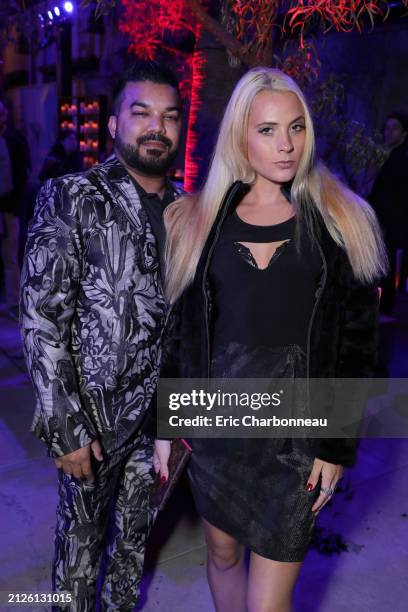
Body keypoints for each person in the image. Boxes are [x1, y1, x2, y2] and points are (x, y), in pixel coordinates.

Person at [154, 67, 387, 612]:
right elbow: (179, 335)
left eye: (297, 127)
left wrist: (335, 443)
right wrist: (167, 426)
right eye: (267, 129)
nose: (286, 144)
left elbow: (358, 345)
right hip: (215, 432)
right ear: (239, 134)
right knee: (223, 556)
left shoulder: (341, 220)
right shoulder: (196, 221)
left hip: (295, 442)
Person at [20, 60, 183, 611]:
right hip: (93, 420)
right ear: (113, 125)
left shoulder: (190, 208)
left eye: (169, 116)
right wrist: (63, 427)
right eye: (141, 113)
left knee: (134, 549)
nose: (156, 126)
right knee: (79, 559)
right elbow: (42, 319)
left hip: (160, 423)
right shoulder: (72, 195)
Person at [370, 112, 408, 315]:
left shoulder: (401, 157)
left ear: (404, 133)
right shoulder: (393, 155)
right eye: (386, 128)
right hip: (387, 220)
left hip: (391, 222)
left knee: (387, 265)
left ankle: (385, 309)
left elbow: (395, 195)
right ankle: (384, 308)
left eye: (394, 128)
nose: (388, 132)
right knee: (385, 264)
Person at [0, 99, 31, 318]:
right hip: (12, 205)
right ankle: (12, 302)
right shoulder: (16, 138)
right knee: (10, 256)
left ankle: (13, 303)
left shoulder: (7, 140)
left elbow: (7, 180)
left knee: (9, 257)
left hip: (6, 206)